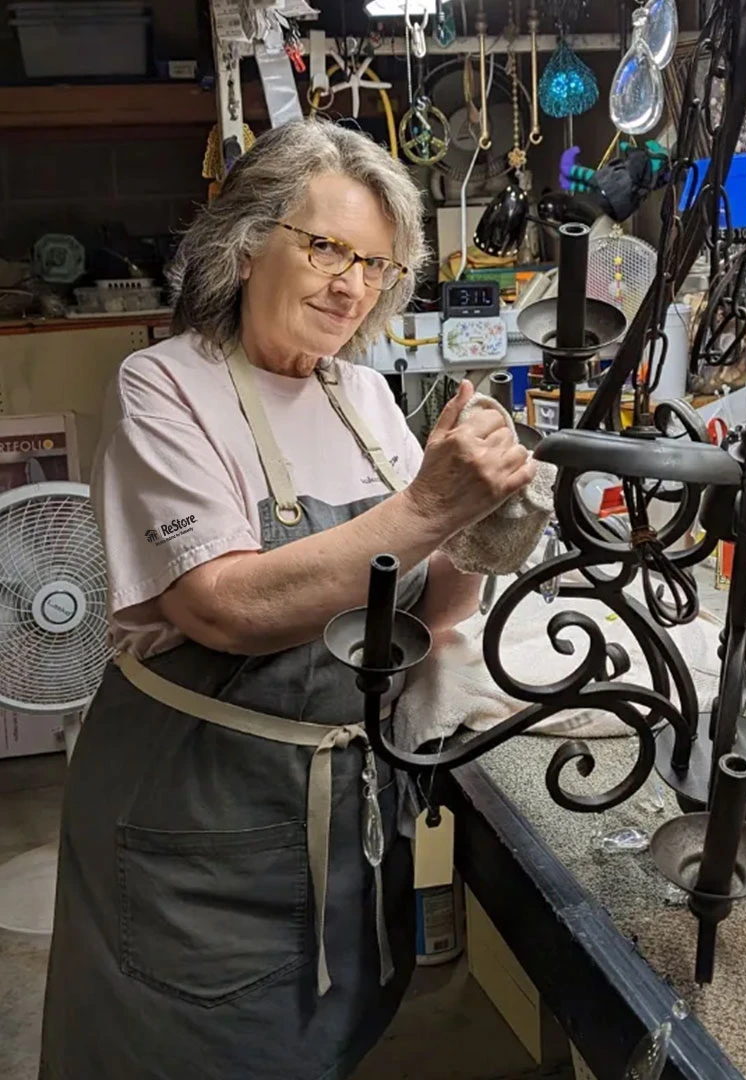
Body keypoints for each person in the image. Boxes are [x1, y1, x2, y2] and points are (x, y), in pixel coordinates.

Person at [39, 118, 535, 1080]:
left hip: (346, 821)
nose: (351, 283)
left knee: (321, 1045)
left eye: (377, 267)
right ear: (245, 241)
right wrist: (430, 504)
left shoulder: (368, 398)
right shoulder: (166, 386)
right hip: (201, 826)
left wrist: (483, 533)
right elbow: (222, 607)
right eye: (326, 246)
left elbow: (426, 623)